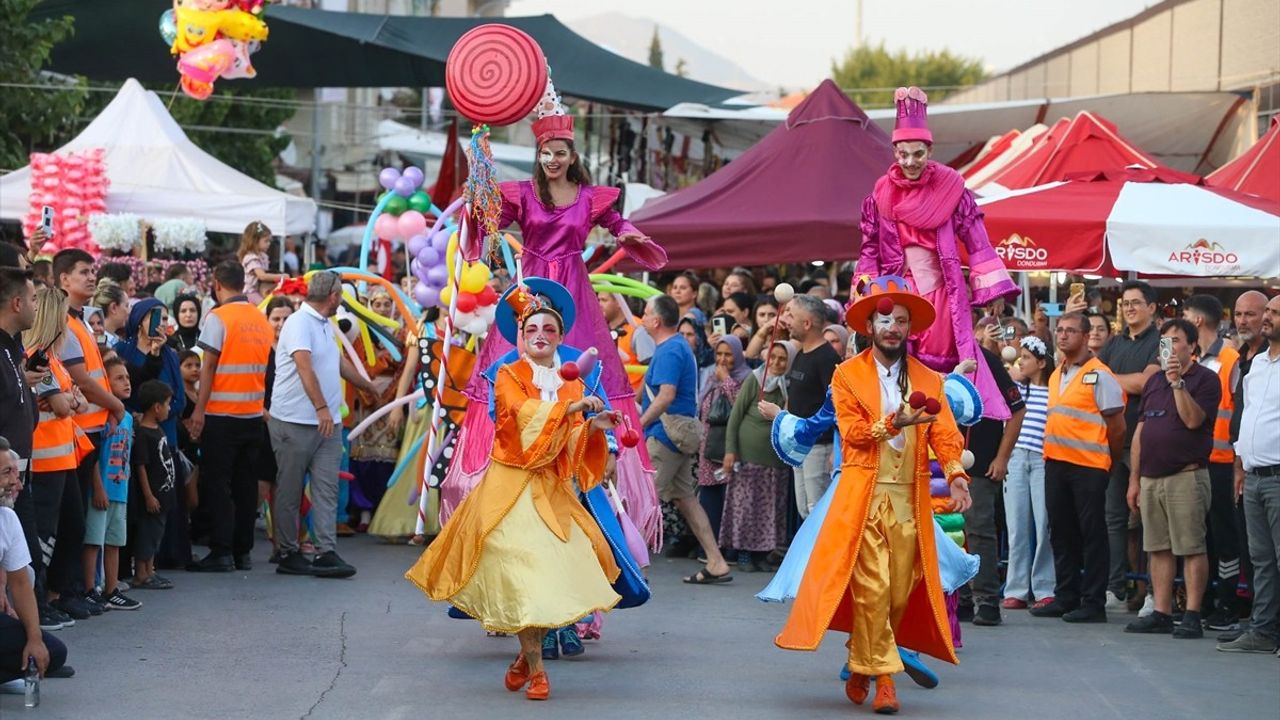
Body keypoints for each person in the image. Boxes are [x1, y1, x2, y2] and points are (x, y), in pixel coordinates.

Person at [447, 98, 666, 553]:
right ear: (538, 153)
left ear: (572, 154)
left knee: (583, 373)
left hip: (575, 293)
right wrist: (480, 185)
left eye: (560, 152)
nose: (552, 160)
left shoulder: (590, 197)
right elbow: (489, 222)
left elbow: (616, 221)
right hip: (531, 288)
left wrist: (628, 233)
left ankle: (593, 478)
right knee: (517, 372)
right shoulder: (524, 193)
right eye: (545, 151)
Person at [405, 279, 623, 701]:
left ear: (560, 336)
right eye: (531, 330)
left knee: (547, 574)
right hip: (510, 483)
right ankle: (539, 671)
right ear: (520, 337)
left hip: (551, 486)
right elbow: (520, 414)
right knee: (523, 572)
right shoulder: (507, 373)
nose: (540, 336)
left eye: (549, 330)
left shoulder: (573, 380)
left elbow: (572, 437)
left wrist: (593, 427)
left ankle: (527, 656)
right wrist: (568, 409)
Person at [773, 275, 971, 715]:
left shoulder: (928, 379)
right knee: (873, 586)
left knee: (899, 592)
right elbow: (855, 434)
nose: (893, 328)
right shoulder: (846, 376)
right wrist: (893, 424)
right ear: (870, 327)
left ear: (908, 328)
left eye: (901, 320)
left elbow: (945, 433)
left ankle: (862, 662)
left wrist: (956, 474)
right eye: (886, 320)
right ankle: (885, 678)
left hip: (909, 500)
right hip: (862, 497)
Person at [855, 86, 1020, 429]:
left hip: (941, 296)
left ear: (929, 150)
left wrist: (992, 294)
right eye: (904, 155)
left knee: (937, 375)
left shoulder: (951, 188)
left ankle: (941, 440)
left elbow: (976, 239)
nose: (911, 162)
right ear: (895, 153)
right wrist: (864, 287)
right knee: (893, 369)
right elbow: (870, 246)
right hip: (896, 291)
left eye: (918, 154)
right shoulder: (880, 194)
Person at [270, 272, 375, 578]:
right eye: (340, 295)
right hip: (294, 421)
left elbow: (335, 362)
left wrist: (366, 385)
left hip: (326, 424)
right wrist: (321, 409)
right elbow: (304, 368)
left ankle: (325, 551)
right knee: (290, 489)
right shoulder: (300, 323)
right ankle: (288, 551)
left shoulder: (323, 323)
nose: (341, 300)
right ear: (332, 295)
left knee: (326, 488)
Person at [1123, 317, 1219, 638]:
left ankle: (1192, 613)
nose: (1170, 347)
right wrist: (1135, 479)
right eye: (1164, 342)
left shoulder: (1205, 379)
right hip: (1151, 478)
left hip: (1186, 476)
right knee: (1158, 547)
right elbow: (1140, 431)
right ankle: (1162, 611)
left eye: (1176, 341)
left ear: (1192, 346)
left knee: (1191, 546)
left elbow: (1193, 421)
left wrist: (1178, 382)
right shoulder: (1153, 382)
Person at [1031, 312, 1127, 623]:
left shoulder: (1100, 375)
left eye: (1071, 331)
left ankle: (1093, 602)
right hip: (1056, 463)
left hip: (1089, 465)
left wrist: (1108, 461)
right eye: (1060, 330)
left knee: (1092, 534)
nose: (1062, 336)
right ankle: (1066, 594)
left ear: (1086, 337)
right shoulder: (1057, 373)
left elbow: (1117, 427)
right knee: (1060, 532)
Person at [51, 250, 125, 620]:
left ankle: (78, 589)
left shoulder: (80, 321)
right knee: (72, 520)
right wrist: (117, 405)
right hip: (75, 432)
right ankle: (67, 591)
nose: (91, 277)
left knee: (78, 519)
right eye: (83, 272)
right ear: (63, 280)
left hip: (87, 429)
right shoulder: (63, 322)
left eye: (92, 271)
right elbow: (80, 379)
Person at [187, 260, 275, 572]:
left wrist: (199, 409)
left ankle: (221, 551)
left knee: (217, 484)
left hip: (222, 414)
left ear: (217, 283)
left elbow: (208, 366)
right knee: (245, 485)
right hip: (252, 415)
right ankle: (243, 551)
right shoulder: (260, 318)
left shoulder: (219, 317)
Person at [641, 295, 733, 584]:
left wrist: (640, 424)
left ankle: (629, 567)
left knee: (643, 499)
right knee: (686, 499)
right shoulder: (678, 346)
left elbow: (666, 396)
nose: (642, 318)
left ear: (656, 321)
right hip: (676, 435)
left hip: (664, 436)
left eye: (645, 313)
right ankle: (716, 561)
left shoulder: (669, 350)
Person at [1219, 294, 1280, 653]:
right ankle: (1264, 630)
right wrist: (1241, 464)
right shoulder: (1256, 364)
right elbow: (1248, 420)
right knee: (1261, 560)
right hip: (1255, 475)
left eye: (1274, 312)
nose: (1266, 318)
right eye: (1267, 311)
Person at [1098, 280, 1162, 611]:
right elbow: (1093, 378)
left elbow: (1149, 381)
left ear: (1152, 307)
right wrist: (1120, 382)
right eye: (1125, 303)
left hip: (1147, 441)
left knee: (1150, 521)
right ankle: (1115, 588)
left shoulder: (1161, 342)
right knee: (1114, 519)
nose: (1129, 308)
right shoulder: (1114, 343)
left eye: (1136, 302)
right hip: (1112, 440)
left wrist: (1109, 381)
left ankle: (1153, 592)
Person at [1182, 294, 1245, 630]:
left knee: (1224, 536)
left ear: (1197, 321)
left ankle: (1228, 602)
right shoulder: (1197, 360)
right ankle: (1203, 600)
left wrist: (1238, 461)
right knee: (1200, 535)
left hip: (1223, 460)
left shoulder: (1230, 358)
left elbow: (1239, 410)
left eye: (1185, 315)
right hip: (1200, 459)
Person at [959, 340, 1026, 627]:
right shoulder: (928, 354)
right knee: (949, 530)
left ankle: (986, 599)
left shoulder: (987, 360)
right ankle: (958, 597)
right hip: (941, 463)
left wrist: (1002, 457)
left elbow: (1016, 409)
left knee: (978, 529)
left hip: (981, 463)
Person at [721, 340, 794, 571]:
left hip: (776, 461)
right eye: (772, 357)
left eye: (782, 359)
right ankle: (744, 553)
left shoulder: (790, 385)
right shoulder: (755, 379)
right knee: (747, 508)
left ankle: (763, 554)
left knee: (771, 510)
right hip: (749, 458)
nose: (776, 363)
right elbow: (735, 416)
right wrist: (730, 451)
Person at [0, 442, 66, 682]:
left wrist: (34, 638)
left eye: (17, 472)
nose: (15, 483)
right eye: (7, 473)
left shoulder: (7, 518)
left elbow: (20, 585)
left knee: (53, 652)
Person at [1002, 336, 1056, 611]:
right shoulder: (1018, 390)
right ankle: (1017, 588)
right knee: (1017, 526)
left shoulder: (1054, 389)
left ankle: (1045, 586)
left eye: (1026, 357)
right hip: (1016, 458)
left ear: (1042, 363)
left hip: (1042, 459)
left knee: (1044, 525)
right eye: (1020, 356)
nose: (1021, 361)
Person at [84, 357, 140, 609]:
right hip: (102, 491)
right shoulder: (101, 416)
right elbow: (94, 456)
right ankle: (88, 589)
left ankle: (111, 589)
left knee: (114, 541)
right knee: (94, 541)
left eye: (127, 377)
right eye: (119, 378)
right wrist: (97, 488)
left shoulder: (127, 417)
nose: (126, 382)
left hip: (120, 490)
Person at [782, 294, 842, 518]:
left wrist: (834, 450)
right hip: (799, 443)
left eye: (791, 315)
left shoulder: (827, 359)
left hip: (819, 446)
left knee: (817, 510)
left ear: (807, 323)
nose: (787, 320)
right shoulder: (801, 353)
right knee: (804, 509)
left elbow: (838, 404)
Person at [695, 336, 750, 549]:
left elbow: (740, 405)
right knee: (709, 498)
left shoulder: (745, 378)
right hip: (708, 445)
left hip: (728, 446)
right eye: (719, 354)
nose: (722, 359)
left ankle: (727, 548)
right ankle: (708, 547)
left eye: (728, 354)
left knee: (728, 499)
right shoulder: (712, 376)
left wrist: (726, 380)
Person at [131, 380, 178, 592]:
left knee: (156, 534)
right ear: (156, 407)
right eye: (167, 404)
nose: (169, 408)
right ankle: (141, 573)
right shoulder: (144, 434)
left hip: (164, 494)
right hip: (152, 497)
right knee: (147, 534)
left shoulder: (157, 429)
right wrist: (148, 495)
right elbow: (141, 465)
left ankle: (150, 569)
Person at [238, 221, 287, 305]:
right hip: (251, 292)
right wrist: (282, 276)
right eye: (266, 241)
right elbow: (262, 276)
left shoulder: (262, 256)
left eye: (269, 241)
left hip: (261, 290)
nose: (269, 244)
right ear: (254, 241)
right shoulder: (251, 258)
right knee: (265, 306)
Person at [91, 279, 130, 343]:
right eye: (126, 306)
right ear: (113, 308)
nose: (128, 311)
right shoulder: (100, 342)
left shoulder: (114, 339)